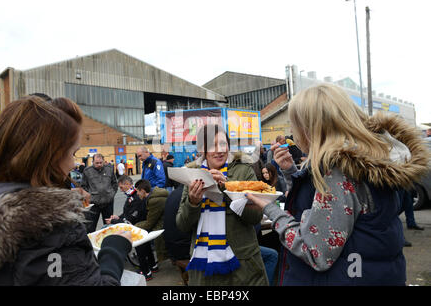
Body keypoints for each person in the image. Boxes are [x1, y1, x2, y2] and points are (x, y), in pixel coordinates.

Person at [246, 83, 430, 286]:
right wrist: (291, 173)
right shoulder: (366, 160)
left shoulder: (338, 172)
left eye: (295, 123)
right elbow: (326, 211)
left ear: (311, 128)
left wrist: (270, 210)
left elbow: (315, 252)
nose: (292, 130)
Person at [0, 96, 133, 285]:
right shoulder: (51, 228)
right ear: (47, 156)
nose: (73, 164)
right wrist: (114, 249)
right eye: (72, 153)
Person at [176, 124, 269, 286]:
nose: (219, 150)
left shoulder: (244, 171)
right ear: (202, 150)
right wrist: (193, 202)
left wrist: (226, 188)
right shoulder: (192, 176)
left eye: (223, 144)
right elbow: (182, 225)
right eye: (212, 145)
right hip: (204, 268)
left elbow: (255, 217)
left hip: (243, 266)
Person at [134, 179, 169, 280]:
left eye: (137, 191)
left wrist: (135, 226)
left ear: (143, 191)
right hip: (164, 223)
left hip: (161, 228)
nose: (137, 194)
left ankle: (146, 272)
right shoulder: (155, 194)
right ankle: (153, 266)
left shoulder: (154, 200)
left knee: (139, 238)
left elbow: (149, 223)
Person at [82, 153, 119, 233]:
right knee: (90, 227)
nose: (99, 165)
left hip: (108, 203)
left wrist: (111, 194)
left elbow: (114, 183)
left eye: (100, 163)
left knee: (109, 227)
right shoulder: (87, 171)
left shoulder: (109, 169)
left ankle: (108, 243)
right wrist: (90, 196)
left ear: (103, 161)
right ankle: (91, 244)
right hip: (94, 204)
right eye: (97, 163)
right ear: (93, 162)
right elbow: (84, 186)